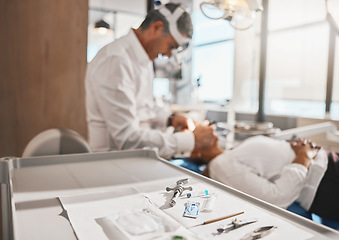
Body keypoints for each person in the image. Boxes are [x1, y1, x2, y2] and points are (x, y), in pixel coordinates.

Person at [85, 3, 216, 159]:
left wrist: (170, 119)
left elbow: (146, 104)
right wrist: (191, 139)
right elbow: (127, 139)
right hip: (113, 163)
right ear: (157, 27)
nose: (168, 55)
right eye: (171, 46)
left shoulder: (143, 60)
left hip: (135, 160)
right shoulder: (116, 60)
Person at [198, 135, 339, 222]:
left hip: (329, 163)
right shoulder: (220, 165)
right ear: (194, 151)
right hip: (327, 180)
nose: (206, 123)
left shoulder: (228, 154)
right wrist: (304, 156)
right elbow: (276, 198)